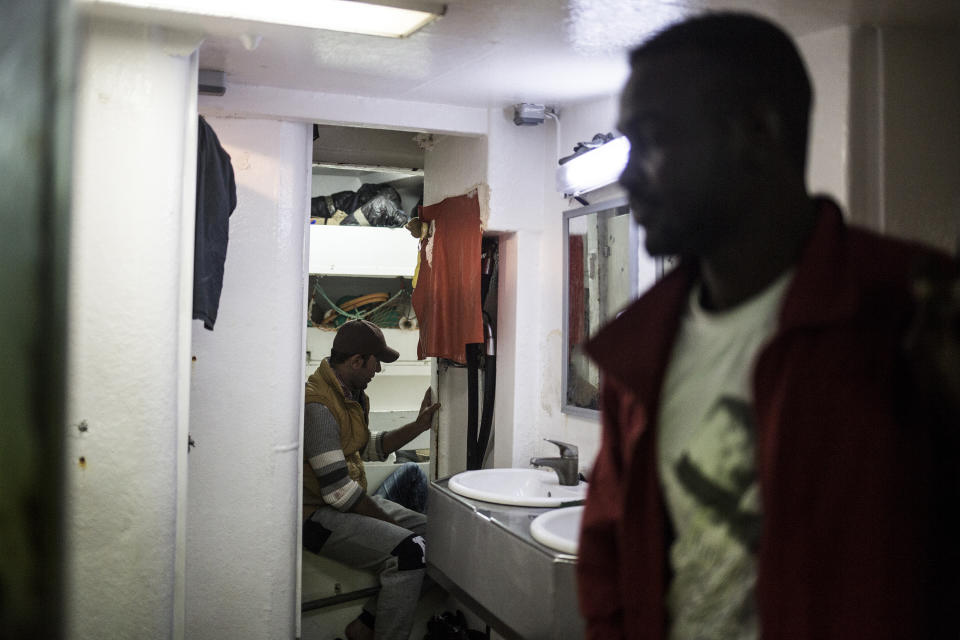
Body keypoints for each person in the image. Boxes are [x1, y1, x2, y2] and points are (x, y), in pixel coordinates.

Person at [576, 12, 959, 640]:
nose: (628, 175)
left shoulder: (911, 311)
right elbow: (610, 560)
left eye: (653, 139)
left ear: (756, 131)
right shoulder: (641, 349)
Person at [302, 319, 440, 640]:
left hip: (345, 502)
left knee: (445, 544)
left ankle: (365, 626)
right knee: (410, 551)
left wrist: (420, 425)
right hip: (317, 516)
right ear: (356, 361)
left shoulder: (352, 395)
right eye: (376, 363)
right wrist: (393, 527)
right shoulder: (318, 406)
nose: (377, 371)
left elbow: (368, 447)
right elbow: (339, 494)